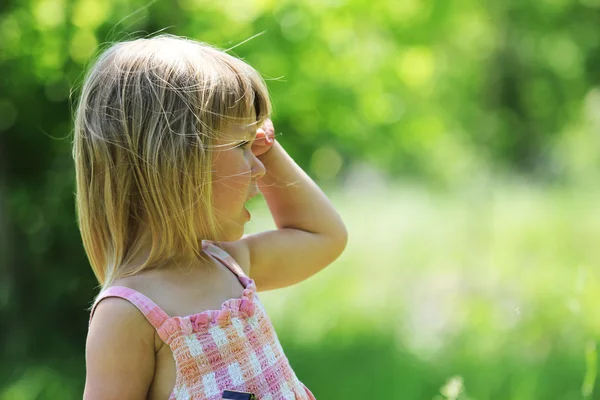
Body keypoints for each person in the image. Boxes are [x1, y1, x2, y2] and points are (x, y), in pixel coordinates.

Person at [74, 35, 347, 399]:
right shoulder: (128, 316)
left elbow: (323, 235)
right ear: (174, 162)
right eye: (241, 147)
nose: (259, 168)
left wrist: (269, 148)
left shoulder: (228, 264)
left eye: (255, 148)